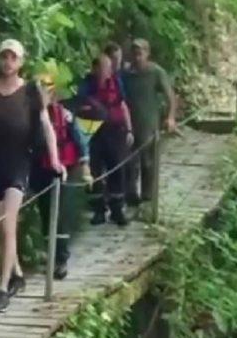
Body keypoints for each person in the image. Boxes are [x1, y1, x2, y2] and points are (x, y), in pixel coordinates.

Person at [0, 39, 64, 314]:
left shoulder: (31, 92)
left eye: (13, 57)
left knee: (9, 226)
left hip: (19, 163)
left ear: (21, 61)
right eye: (4, 56)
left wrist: (54, 159)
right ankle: (17, 273)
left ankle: (3, 288)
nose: (8, 62)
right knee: (1, 227)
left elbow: (46, 125)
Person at [30, 73, 92, 280]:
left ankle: (61, 258)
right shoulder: (31, 116)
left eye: (46, 91)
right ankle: (51, 255)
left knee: (61, 212)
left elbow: (79, 138)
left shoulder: (64, 115)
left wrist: (85, 167)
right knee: (46, 212)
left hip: (63, 168)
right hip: (40, 169)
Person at [77, 54, 133, 226]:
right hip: (93, 132)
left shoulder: (116, 83)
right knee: (95, 171)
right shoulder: (86, 85)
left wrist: (129, 129)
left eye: (108, 68)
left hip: (115, 131)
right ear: (94, 69)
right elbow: (79, 106)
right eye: (102, 68)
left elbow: (122, 105)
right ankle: (98, 210)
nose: (105, 72)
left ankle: (117, 209)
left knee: (116, 167)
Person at [122, 39, 177, 206]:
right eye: (135, 54)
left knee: (148, 163)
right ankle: (131, 194)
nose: (137, 57)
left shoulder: (156, 72)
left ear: (147, 53)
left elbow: (170, 97)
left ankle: (147, 196)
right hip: (129, 125)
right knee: (130, 163)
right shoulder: (126, 74)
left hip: (149, 124)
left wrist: (170, 117)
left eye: (140, 53)